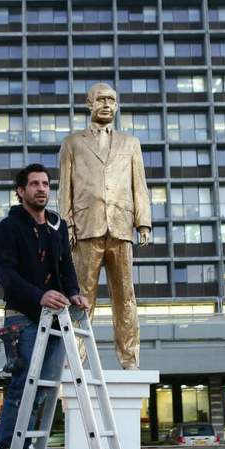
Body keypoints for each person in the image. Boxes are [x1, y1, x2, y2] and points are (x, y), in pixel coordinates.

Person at [0, 163, 90, 449]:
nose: (41, 189)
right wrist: (40, 295)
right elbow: (6, 277)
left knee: (44, 392)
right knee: (23, 386)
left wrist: (73, 294)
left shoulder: (56, 226)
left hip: (55, 318)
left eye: (45, 184)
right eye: (34, 184)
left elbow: (66, 266)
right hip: (22, 318)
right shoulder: (8, 228)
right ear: (21, 191)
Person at [58, 82, 151, 370]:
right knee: (82, 297)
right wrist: (66, 226)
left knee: (126, 297)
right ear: (89, 103)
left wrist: (143, 222)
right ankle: (75, 360)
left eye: (112, 99)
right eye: (101, 99)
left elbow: (140, 186)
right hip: (85, 228)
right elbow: (64, 189)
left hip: (121, 227)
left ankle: (130, 359)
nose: (107, 104)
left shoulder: (130, 143)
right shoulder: (72, 143)